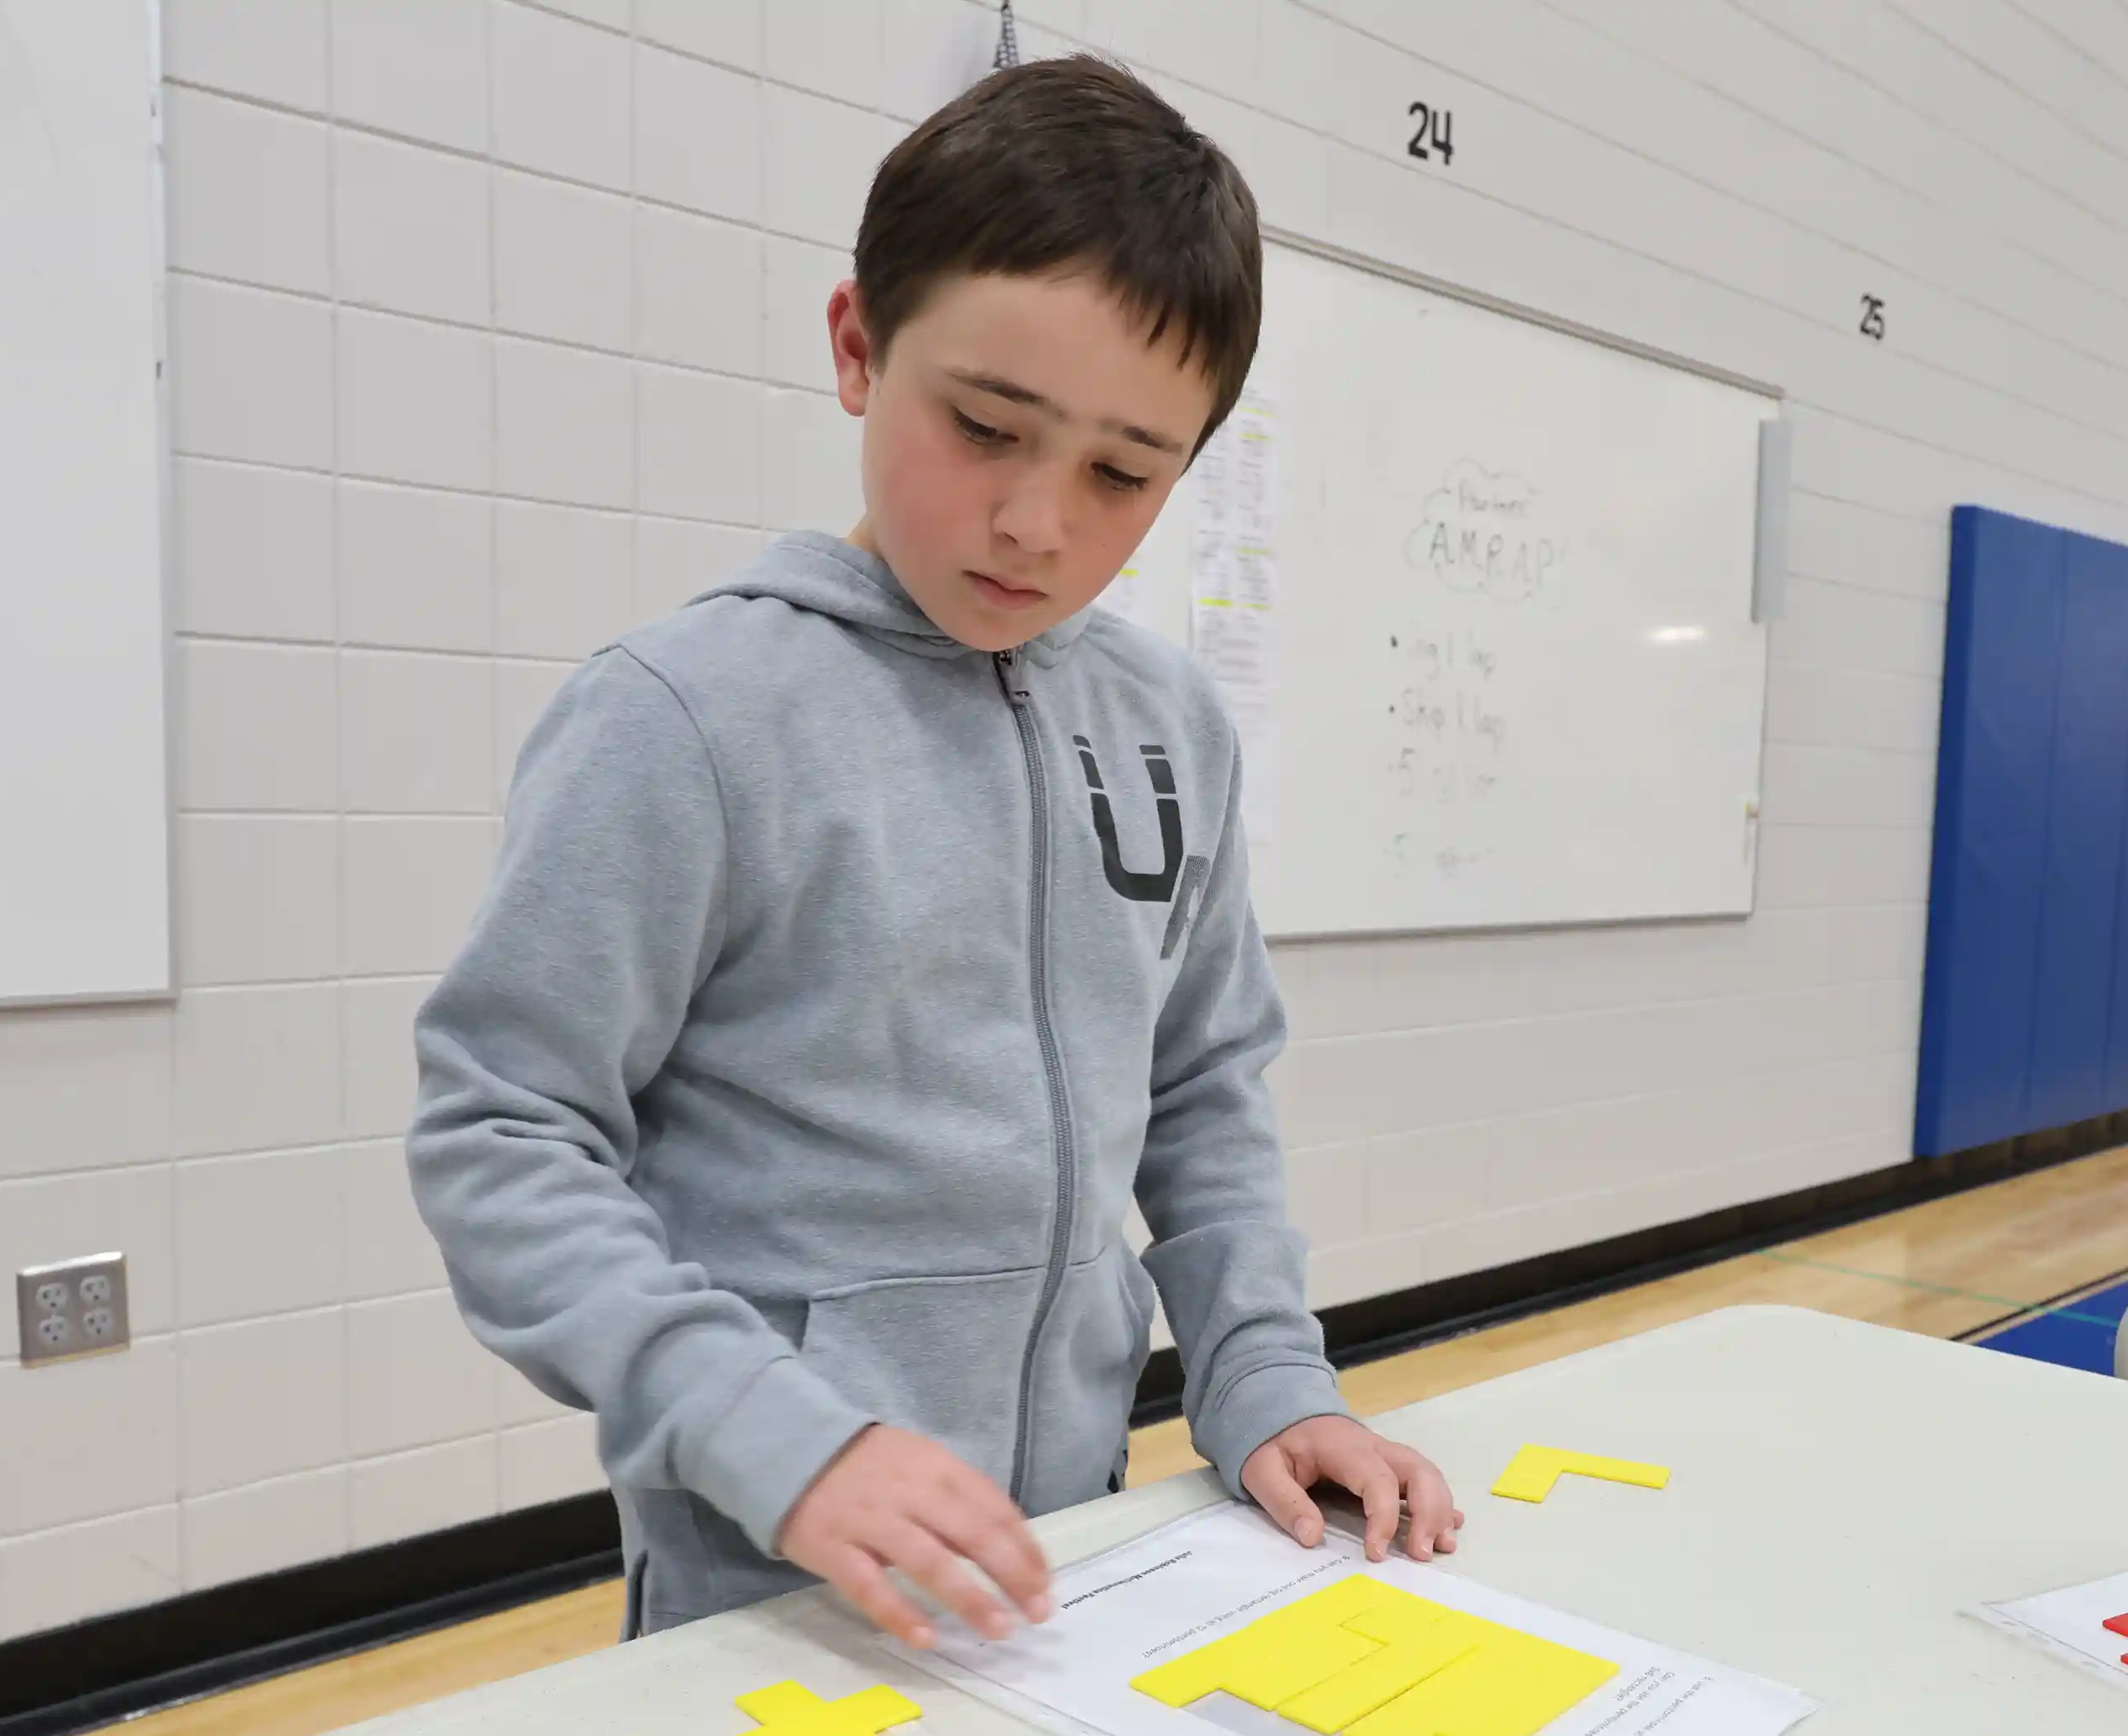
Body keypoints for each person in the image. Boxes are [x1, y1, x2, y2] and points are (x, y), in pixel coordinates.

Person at [408, 55, 1462, 1647]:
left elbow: (1200, 1087)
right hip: (770, 1574)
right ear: (857, 347)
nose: (1038, 522)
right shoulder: (685, 716)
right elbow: (504, 1131)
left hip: (1079, 1545)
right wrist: (768, 1429)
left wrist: (1266, 1375)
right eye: (984, 427)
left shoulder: (1173, 725)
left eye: (1123, 473)